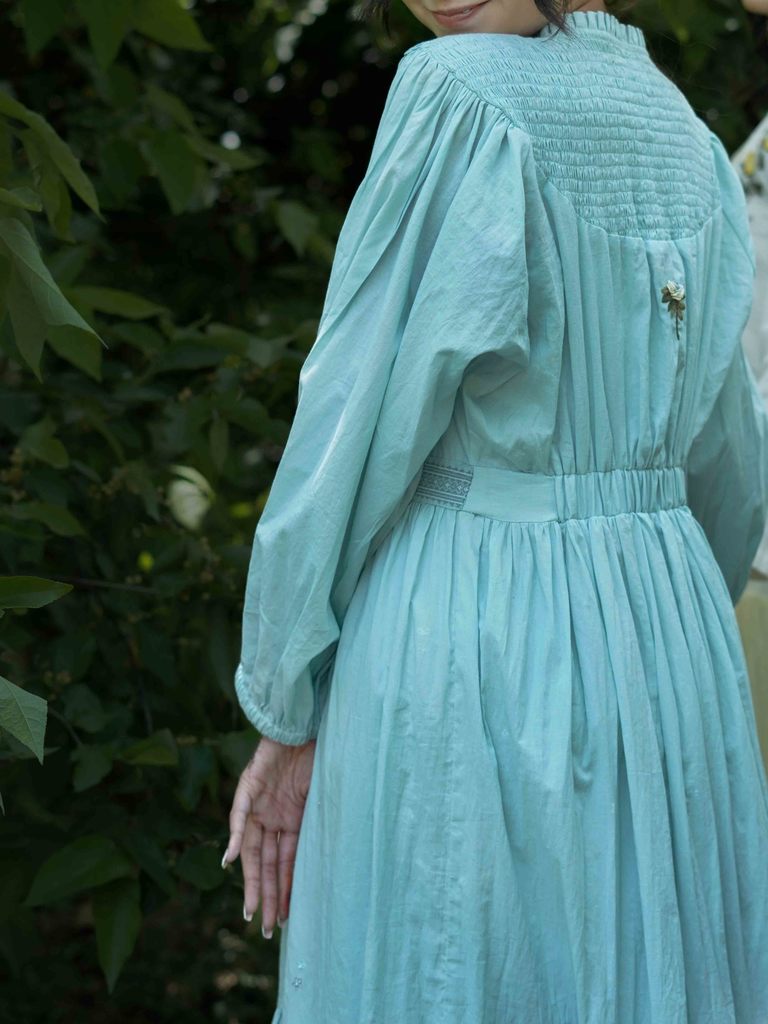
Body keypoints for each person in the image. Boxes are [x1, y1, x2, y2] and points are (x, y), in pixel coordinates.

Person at [222, 0, 768, 1020]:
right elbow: (731, 471)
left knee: (457, 968)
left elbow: (355, 414)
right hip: (673, 646)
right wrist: (659, 620)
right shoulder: (687, 132)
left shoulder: (457, 89)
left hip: (474, 634)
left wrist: (287, 699)